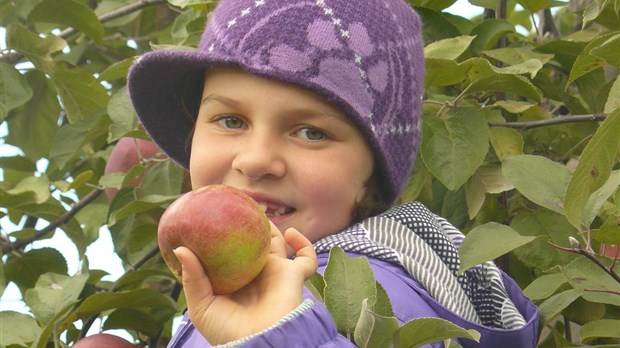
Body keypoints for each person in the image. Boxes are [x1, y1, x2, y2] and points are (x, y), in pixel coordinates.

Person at [127, 0, 540, 347]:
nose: (254, 161)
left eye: (311, 132)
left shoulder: (366, 299)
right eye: (231, 120)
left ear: (372, 172)